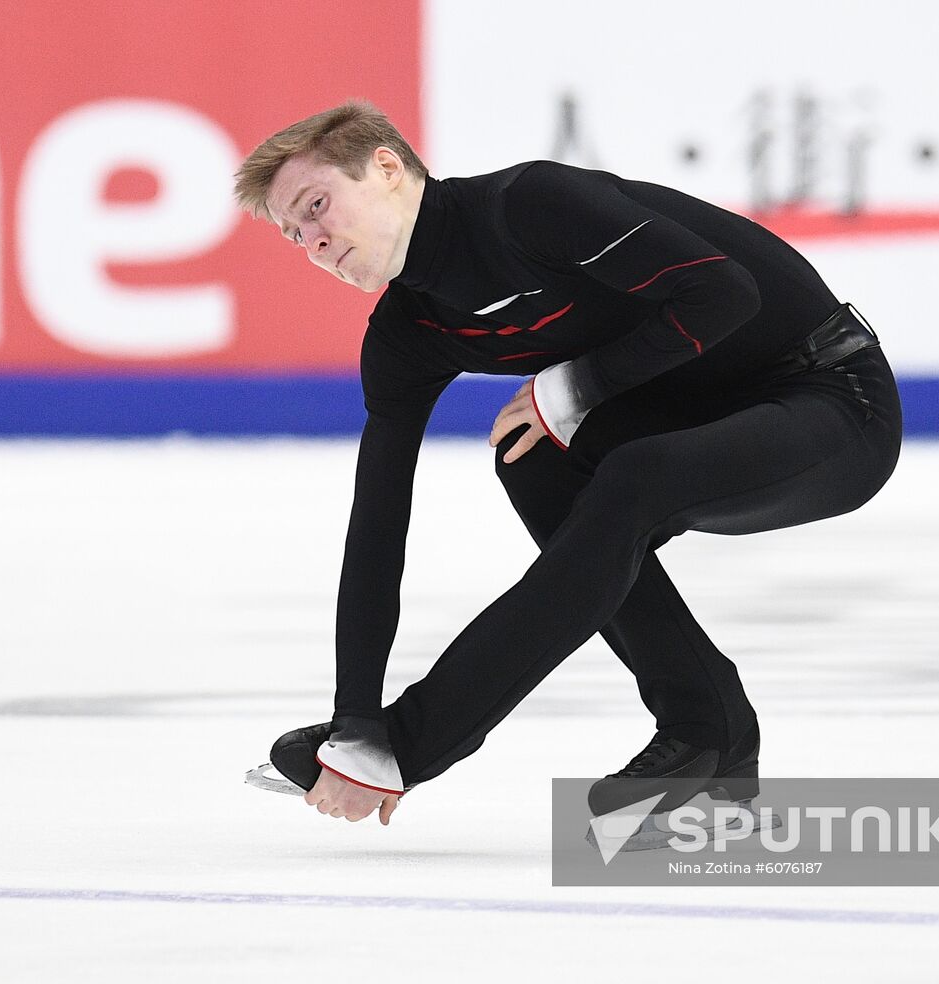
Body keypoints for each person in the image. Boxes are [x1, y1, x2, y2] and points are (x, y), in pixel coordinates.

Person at [234, 101, 902, 826]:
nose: (315, 243)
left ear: (388, 168)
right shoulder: (406, 336)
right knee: (534, 461)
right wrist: (353, 718)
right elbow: (377, 526)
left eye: (318, 206)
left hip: (832, 401)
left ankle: (416, 743)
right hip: (698, 420)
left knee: (630, 472)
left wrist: (577, 385)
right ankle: (710, 729)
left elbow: (723, 293)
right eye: (295, 234)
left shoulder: (529, 207)